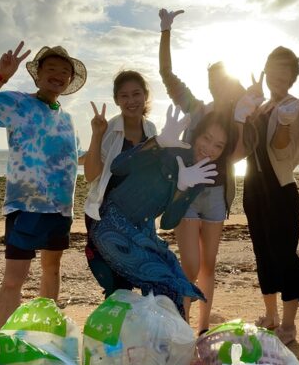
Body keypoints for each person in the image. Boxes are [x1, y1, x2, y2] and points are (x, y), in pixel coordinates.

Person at [0, 41, 85, 328]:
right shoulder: (17, 103)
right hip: (25, 206)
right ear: (38, 74)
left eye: (64, 71)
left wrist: (109, 142)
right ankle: (3, 338)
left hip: (60, 209)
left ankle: (47, 331)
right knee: (13, 279)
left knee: (52, 270)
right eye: (51, 69)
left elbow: (77, 158)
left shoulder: (67, 119)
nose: (57, 75)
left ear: (69, 81)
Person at [89, 105, 231, 316]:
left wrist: (182, 188)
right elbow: (118, 166)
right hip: (112, 225)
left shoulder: (199, 176)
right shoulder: (168, 146)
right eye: (206, 138)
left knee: (178, 280)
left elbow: (168, 222)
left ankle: (168, 340)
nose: (209, 149)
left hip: (142, 233)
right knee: (166, 284)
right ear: (196, 135)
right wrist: (158, 142)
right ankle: (166, 342)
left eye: (218, 146)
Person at [157, 8, 245, 333]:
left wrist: (250, 115)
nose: (220, 87)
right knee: (190, 264)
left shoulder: (239, 117)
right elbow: (167, 75)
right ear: (210, 84)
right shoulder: (195, 108)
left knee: (209, 264)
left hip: (218, 196)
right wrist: (166, 31)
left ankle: (203, 329)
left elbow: (242, 152)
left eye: (226, 82)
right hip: (188, 192)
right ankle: (181, 324)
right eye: (215, 81)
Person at [236, 47, 299, 346]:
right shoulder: (262, 105)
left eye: (285, 72)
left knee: (285, 257)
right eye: (273, 70)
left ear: (293, 77)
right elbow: (245, 146)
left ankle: (289, 324)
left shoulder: (296, 108)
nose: (277, 77)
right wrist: (248, 109)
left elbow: (282, 150)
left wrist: (282, 122)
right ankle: (271, 317)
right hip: (254, 190)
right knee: (263, 255)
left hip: (280, 192)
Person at [82, 70, 158, 295]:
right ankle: (114, 326)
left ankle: (141, 327)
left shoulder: (151, 129)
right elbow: (90, 174)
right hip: (106, 215)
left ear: (145, 96)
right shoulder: (109, 129)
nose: (131, 100)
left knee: (146, 275)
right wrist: (97, 134)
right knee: (116, 284)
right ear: (116, 100)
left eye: (136, 94)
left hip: (138, 216)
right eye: (124, 96)